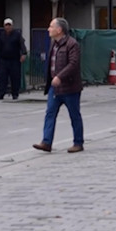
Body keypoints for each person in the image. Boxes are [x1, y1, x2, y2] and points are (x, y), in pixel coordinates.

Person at [32, 18, 84, 153]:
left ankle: (78, 142)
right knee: (50, 113)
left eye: (51, 26)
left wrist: (60, 77)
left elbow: (73, 64)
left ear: (59, 30)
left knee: (74, 115)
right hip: (54, 88)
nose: (48, 29)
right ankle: (46, 142)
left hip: (70, 88)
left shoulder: (72, 44)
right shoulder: (53, 44)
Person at [0, 18, 27, 100]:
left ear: (12, 26)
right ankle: (0, 93)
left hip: (14, 60)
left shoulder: (17, 34)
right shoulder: (2, 35)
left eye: (9, 25)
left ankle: (15, 93)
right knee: (2, 77)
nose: (8, 27)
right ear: (4, 26)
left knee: (15, 77)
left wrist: (24, 54)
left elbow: (22, 44)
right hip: (4, 60)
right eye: (6, 25)